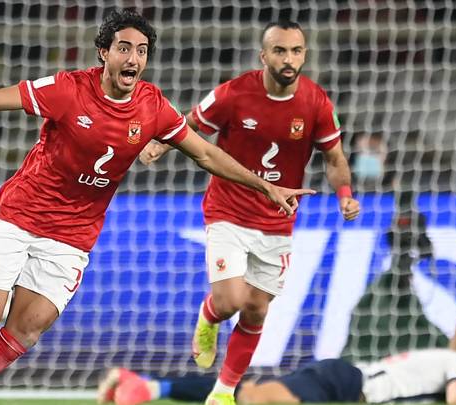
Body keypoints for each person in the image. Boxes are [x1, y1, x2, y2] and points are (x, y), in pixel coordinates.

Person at [0, 9, 314, 405]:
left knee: (25, 332)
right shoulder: (67, 90)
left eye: (141, 51)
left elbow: (205, 153)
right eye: (124, 48)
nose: (133, 59)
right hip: (22, 215)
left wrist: (264, 187)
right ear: (103, 51)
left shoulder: (152, 106)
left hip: (73, 236)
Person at [139, 21, 360, 405]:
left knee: (256, 308)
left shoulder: (316, 102)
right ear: (264, 56)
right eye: (280, 51)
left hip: (278, 221)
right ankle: (208, 317)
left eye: (296, 51)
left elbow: (335, 157)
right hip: (228, 211)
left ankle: (223, 392)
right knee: (229, 302)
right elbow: (190, 124)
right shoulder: (235, 93)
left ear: (304, 55)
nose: (288, 59)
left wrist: (344, 194)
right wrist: (160, 147)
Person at [97, 300, 456, 405]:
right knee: (257, 399)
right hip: (347, 385)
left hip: (344, 385)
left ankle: (149, 387)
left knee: (248, 396)